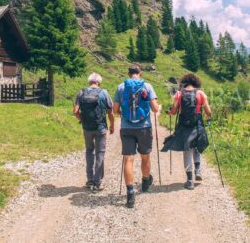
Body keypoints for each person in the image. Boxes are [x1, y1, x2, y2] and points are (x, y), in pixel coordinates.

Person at [113, 65, 159, 208]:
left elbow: (115, 110)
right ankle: (145, 181)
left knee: (128, 159)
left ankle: (130, 194)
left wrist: (123, 114)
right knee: (145, 156)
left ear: (128, 74)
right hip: (144, 127)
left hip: (126, 127)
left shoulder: (121, 87)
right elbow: (155, 109)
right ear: (140, 73)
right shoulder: (147, 86)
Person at [166, 73, 211, 190]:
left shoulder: (179, 94)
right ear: (196, 83)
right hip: (197, 124)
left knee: (187, 151)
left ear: (183, 82)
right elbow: (208, 112)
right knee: (197, 146)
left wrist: (170, 112)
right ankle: (198, 170)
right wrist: (208, 117)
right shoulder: (200, 93)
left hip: (184, 126)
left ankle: (190, 180)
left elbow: (174, 111)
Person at [74, 73, 114, 192]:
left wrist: (82, 120)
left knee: (89, 151)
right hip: (100, 127)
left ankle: (89, 180)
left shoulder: (81, 92)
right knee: (100, 153)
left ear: (89, 81)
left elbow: (75, 111)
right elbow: (110, 111)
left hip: (87, 128)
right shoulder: (104, 92)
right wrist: (112, 125)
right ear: (99, 82)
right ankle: (97, 182)